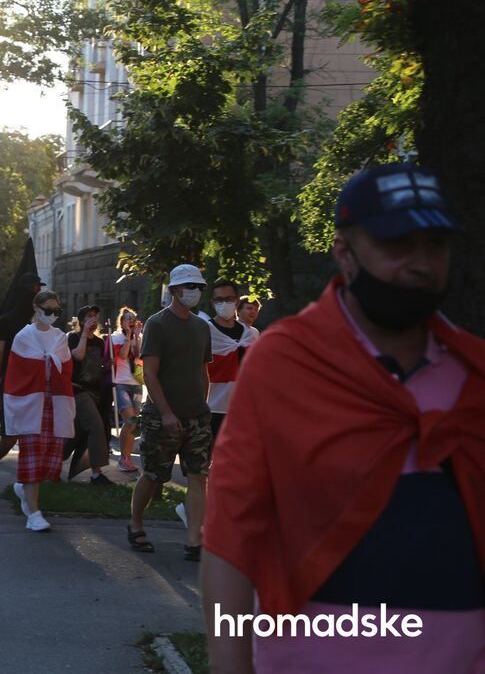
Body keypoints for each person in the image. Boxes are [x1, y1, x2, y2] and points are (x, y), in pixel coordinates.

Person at [203, 163, 483, 672]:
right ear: (345, 255)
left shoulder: (475, 375)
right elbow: (230, 536)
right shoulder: (285, 366)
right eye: (398, 244)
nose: (421, 263)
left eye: (435, 244)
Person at [127, 264, 212, 561]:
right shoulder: (157, 324)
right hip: (160, 416)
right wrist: (165, 413)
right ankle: (136, 524)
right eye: (190, 286)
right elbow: (150, 374)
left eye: (199, 287)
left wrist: (202, 406)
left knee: (199, 476)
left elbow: (203, 371)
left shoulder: (202, 326)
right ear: (175, 290)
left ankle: (193, 540)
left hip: (196, 416)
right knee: (153, 475)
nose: (195, 292)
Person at [6, 291, 75, 532]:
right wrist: (44, 362)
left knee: (48, 458)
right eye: (48, 310)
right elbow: (18, 372)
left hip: (54, 403)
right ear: (35, 308)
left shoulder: (60, 337)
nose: (53, 315)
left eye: (57, 311)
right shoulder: (24, 336)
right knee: (32, 456)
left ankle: (25, 490)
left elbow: (66, 370)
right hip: (30, 403)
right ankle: (34, 512)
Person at [0, 273, 45, 497]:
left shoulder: (42, 321)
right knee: (10, 437)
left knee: (34, 435)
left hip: (36, 385)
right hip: (11, 385)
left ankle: (27, 484)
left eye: (39, 288)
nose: (37, 292)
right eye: (33, 288)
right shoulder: (6, 321)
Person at [201, 280, 259, 441]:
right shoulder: (204, 331)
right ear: (212, 303)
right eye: (219, 300)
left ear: (237, 301)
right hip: (210, 408)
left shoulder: (251, 334)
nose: (224, 303)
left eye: (229, 299)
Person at [65, 305, 115, 485]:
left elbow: (99, 367)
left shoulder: (100, 342)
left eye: (95, 316)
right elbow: (77, 356)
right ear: (81, 321)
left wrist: (108, 366)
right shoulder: (73, 338)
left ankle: (56, 457)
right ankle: (96, 474)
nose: (93, 320)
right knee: (96, 426)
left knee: (77, 433)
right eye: (88, 317)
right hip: (78, 390)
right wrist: (84, 333)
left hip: (95, 393)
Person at [108, 307, 143, 473]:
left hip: (136, 383)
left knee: (133, 424)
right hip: (121, 382)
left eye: (133, 318)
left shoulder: (139, 337)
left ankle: (126, 458)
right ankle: (123, 458)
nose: (130, 321)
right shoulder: (115, 337)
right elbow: (122, 356)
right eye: (127, 319)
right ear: (121, 321)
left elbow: (140, 357)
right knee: (130, 421)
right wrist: (129, 337)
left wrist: (136, 336)